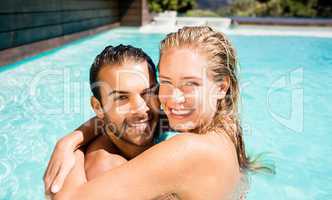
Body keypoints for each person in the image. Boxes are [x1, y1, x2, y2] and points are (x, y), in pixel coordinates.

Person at [45, 26, 261, 200]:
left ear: (221, 88)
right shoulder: (225, 126)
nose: (173, 99)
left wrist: (72, 150)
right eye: (166, 82)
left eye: (190, 84)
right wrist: (74, 138)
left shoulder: (186, 150)